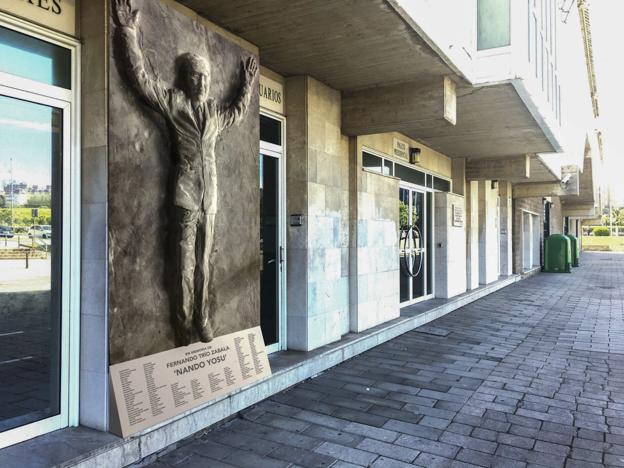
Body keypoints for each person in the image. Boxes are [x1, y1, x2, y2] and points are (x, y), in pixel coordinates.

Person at [113, 0, 258, 344]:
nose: (203, 81)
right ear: (186, 78)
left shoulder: (215, 113)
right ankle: (181, 322)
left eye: (206, 76)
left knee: (205, 263)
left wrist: (248, 84)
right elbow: (142, 81)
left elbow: (238, 112)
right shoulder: (174, 103)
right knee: (183, 263)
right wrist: (128, 32)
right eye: (196, 75)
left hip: (211, 197)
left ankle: (203, 320)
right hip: (185, 194)